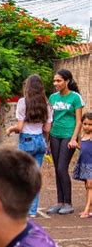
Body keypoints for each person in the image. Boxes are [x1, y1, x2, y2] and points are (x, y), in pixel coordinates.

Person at [6, 74, 52, 217]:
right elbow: (47, 129)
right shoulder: (47, 104)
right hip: (40, 142)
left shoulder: (22, 102)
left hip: (26, 141)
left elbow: (19, 127)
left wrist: (10, 129)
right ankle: (32, 211)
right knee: (34, 177)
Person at [47, 69, 84, 215]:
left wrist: (74, 138)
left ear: (67, 81)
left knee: (62, 168)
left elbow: (79, 121)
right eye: (54, 81)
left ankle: (68, 203)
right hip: (55, 135)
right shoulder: (52, 98)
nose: (55, 83)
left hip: (69, 136)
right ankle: (60, 202)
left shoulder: (75, 98)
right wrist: (48, 140)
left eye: (59, 81)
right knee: (57, 169)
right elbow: (51, 119)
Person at [73, 112, 92, 218]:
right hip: (83, 164)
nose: (87, 127)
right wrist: (77, 146)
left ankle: (86, 209)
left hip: (91, 165)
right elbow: (84, 149)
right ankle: (89, 209)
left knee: (90, 186)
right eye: (85, 124)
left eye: (90, 124)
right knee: (87, 186)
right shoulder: (83, 135)